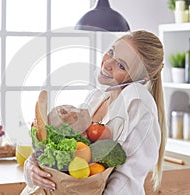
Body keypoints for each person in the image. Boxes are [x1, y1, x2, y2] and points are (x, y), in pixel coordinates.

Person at [24, 30, 167, 194]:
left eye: (121, 65)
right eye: (111, 52)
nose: (107, 63)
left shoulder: (138, 105)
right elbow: (62, 149)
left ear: (143, 78)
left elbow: (127, 182)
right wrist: (32, 168)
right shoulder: (96, 97)